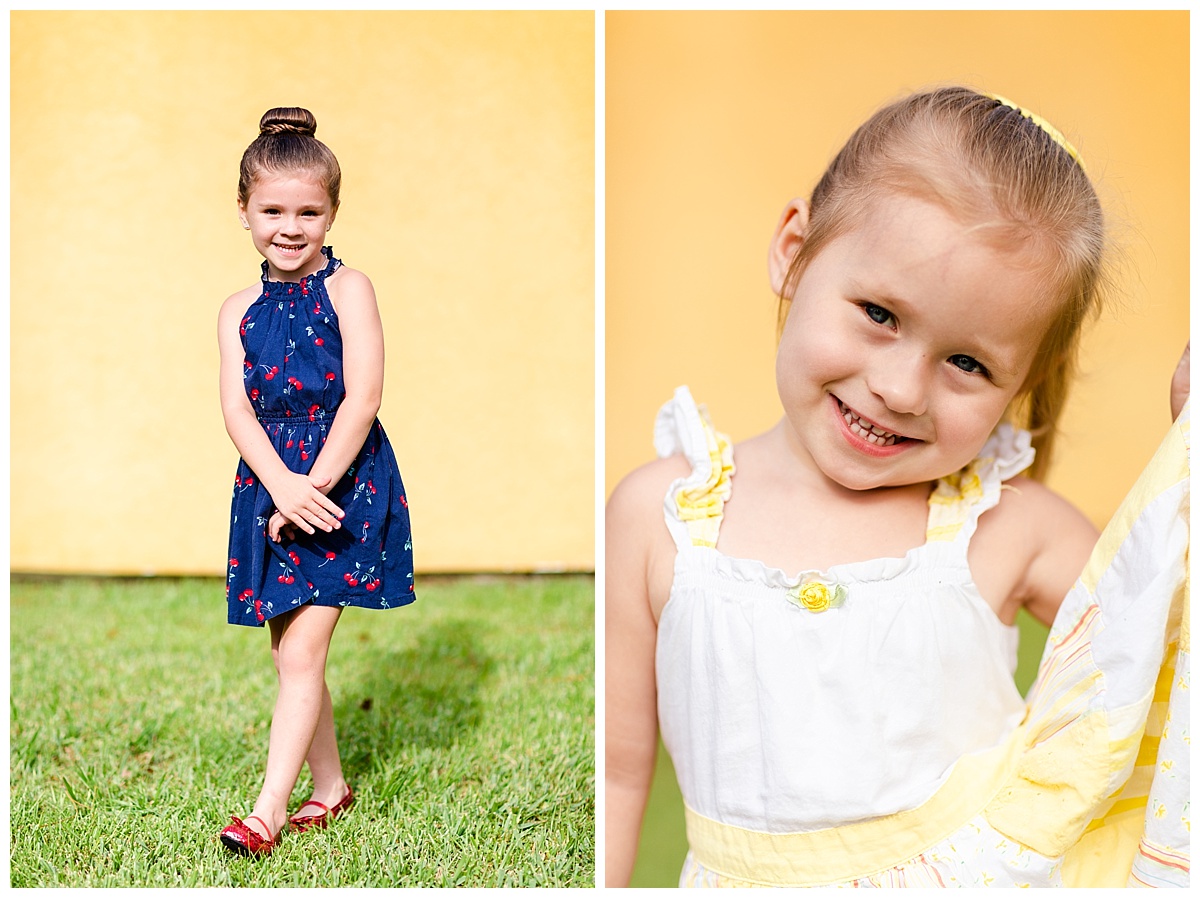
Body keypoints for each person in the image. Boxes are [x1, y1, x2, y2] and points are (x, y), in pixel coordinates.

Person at [605, 87, 1189, 887]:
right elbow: (619, 769)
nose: (903, 388)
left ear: (1024, 380)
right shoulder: (659, 518)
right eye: (879, 312)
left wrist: (1189, 452)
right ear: (794, 248)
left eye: (968, 364)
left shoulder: (1011, 528)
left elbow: (1162, 651)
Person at [217, 107, 415, 856]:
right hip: (270, 489)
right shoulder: (237, 309)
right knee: (288, 653)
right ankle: (330, 788)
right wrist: (281, 486)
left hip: (343, 484)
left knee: (302, 656)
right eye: (272, 210)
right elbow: (236, 408)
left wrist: (315, 487)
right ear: (244, 212)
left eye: (309, 211)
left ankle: (266, 811)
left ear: (332, 213)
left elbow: (363, 397)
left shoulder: (349, 289)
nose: (290, 227)